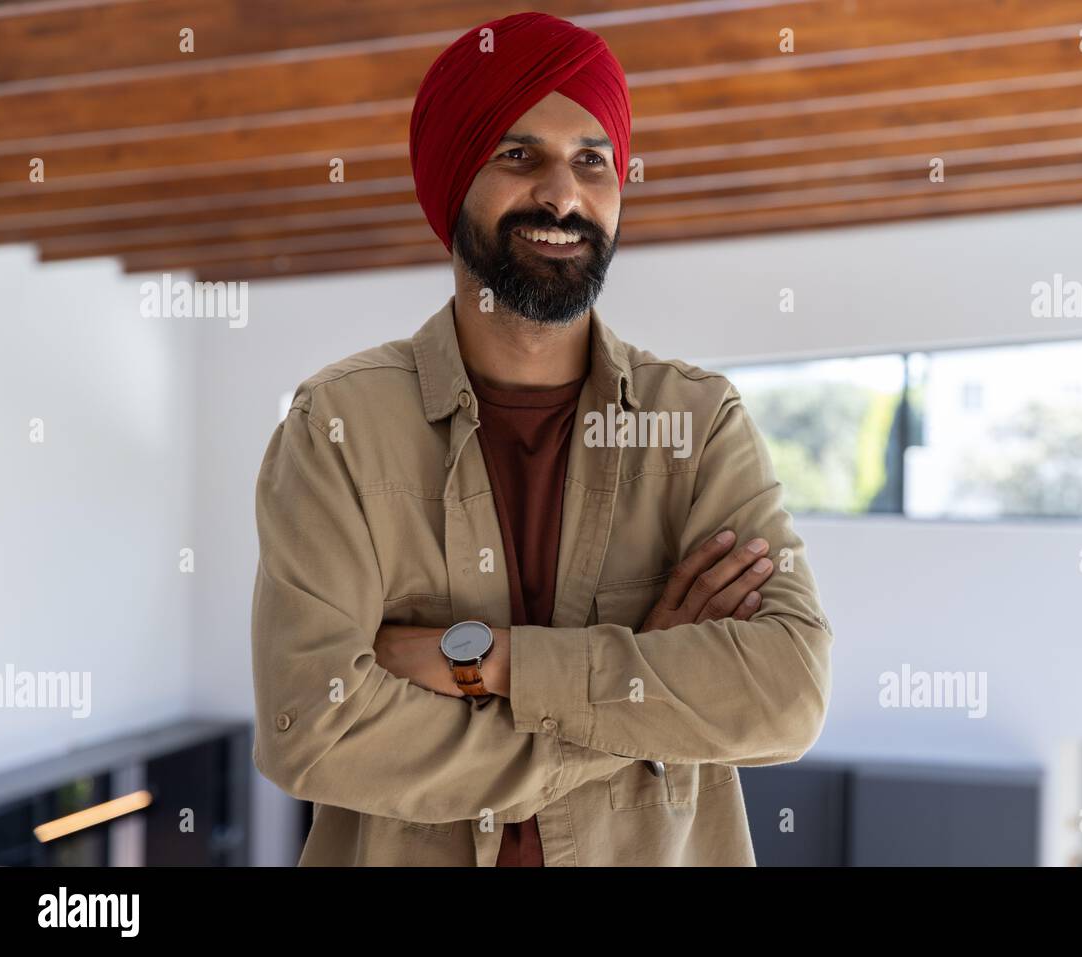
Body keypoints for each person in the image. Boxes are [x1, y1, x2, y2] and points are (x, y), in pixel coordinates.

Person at [249, 10, 833, 867]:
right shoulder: (337, 428)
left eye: (592, 161)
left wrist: (486, 662)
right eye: (519, 156)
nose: (563, 196)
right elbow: (313, 728)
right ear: (456, 183)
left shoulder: (700, 425)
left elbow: (786, 693)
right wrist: (635, 700)